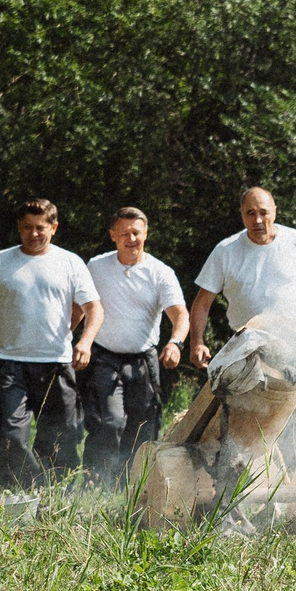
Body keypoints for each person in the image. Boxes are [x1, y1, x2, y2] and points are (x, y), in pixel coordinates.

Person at [189, 186, 296, 450]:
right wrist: (197, 343)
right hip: (246, 350)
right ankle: (239, 486)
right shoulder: (226, 251)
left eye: (264, 212)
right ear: (242, 215)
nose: (258, 220)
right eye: (251, 213)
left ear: (275, 211)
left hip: (295, 349)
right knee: (242, 424)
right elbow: (202, 303)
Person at [0, 199, 102, 491]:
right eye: (27, 227)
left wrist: (85, 342)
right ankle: (17, 497)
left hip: (56, 363)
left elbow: (94, 308)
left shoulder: (70, 262)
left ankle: (58, 499)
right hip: (10, 364)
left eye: (40, 228)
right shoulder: (0, 261)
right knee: (11, 436)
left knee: (61, 438)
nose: (34, 234)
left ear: (54, 227)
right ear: (18, 227)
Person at [82, 208, 188, 487]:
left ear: (146, 234)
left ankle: (135, 484)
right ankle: (96, 483)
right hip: (104, 357)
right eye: (125, 233)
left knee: (144, 427)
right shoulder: (96, 267)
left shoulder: (160, 272)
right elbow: (79, 309)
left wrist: (175, 343)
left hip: (143, 359)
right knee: (110, 422)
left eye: (136, 233)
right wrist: (71, 343)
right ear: (113, 236)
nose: (131, 239)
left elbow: (180, 315)